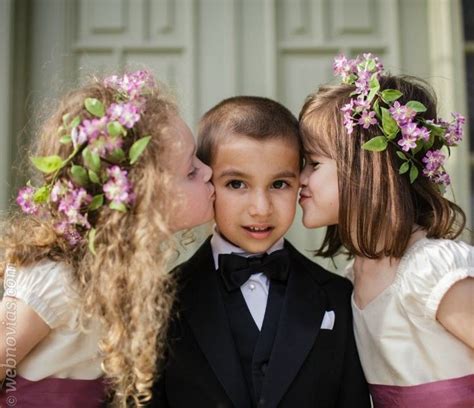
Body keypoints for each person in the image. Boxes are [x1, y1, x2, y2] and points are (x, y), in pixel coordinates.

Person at [0, 70, 215, 407]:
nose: (209, 172)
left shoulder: (124, 274)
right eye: (191, 171)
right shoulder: (56, 280)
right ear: (142, 201)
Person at [151, 96, 370, 407]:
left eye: (279, 184)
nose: (261, 209)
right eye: (237, 184)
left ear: (300, 185)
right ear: (207, 181)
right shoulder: (160, 302)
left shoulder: (336, 296)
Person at [298, 53, 474, 407]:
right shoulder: (353, 278)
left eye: (313, 164)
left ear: (366, 169)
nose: (300, 178)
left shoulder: (430, 269)